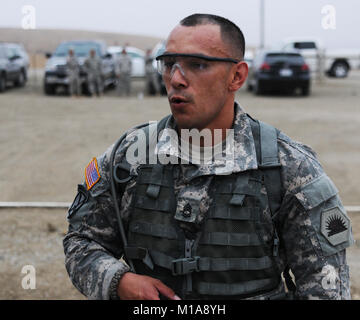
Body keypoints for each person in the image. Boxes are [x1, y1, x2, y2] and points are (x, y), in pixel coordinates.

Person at [63, 14, 354, 300]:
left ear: (237, 76)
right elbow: (82, 241)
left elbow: (324, 286)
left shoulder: (289, 168)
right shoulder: (129, 157)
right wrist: (119, 281)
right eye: (168, 64)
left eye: (197, 65)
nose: (176, 79)